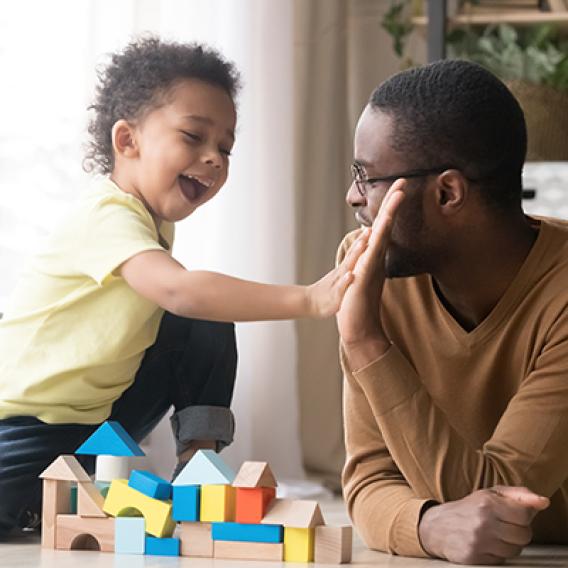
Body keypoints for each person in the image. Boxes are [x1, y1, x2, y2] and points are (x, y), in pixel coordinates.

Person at [0, 37, 368, 536]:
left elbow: (190, 306)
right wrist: (308, 297)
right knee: (193, 299)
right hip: (21, 429)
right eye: (193, 137)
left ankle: (199, 465)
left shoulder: (153, 224)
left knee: (203, 322)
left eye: (225, 147)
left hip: (92, 430)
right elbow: (180, 291)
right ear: (127, 141)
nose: (214, 158)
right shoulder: (105, 214)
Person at [336, 59, 568, 565]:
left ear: (447, 192)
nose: (352, 195)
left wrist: (365, 341)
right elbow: (370, 478)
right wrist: (425, 526)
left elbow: (498, 498)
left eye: (367, 176)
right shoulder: (376, 271)